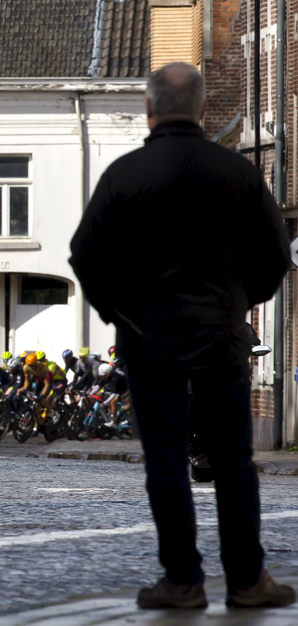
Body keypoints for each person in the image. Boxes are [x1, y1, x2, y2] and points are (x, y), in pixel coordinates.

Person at [69, 62, 294, 610]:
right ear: (199, 109)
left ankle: (183, 581)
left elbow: (85, 255)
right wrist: (242, 303)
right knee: (234, 461)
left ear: (149, 109)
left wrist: (120, 315)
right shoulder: (237, 173)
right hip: (221, 338)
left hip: (152, 342)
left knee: (166, 460)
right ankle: (246, 580)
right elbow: (275, 255)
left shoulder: (125, 175)